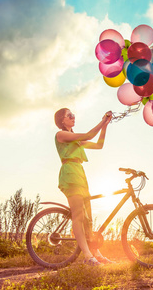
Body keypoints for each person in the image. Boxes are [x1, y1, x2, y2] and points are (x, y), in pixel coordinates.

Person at [54, 108, 113, 266]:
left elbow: (99, 145)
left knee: (88, 220)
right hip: (70, 174)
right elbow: (88, 135)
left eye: (74, 115)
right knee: (79, 217)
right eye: (70, 116)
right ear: (62, 120)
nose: (74, 117)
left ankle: (96, 253)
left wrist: (105, 125)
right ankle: (87, 256)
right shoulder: (61, 135)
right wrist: (102, 121)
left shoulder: (76, 140)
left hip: (80, 174)